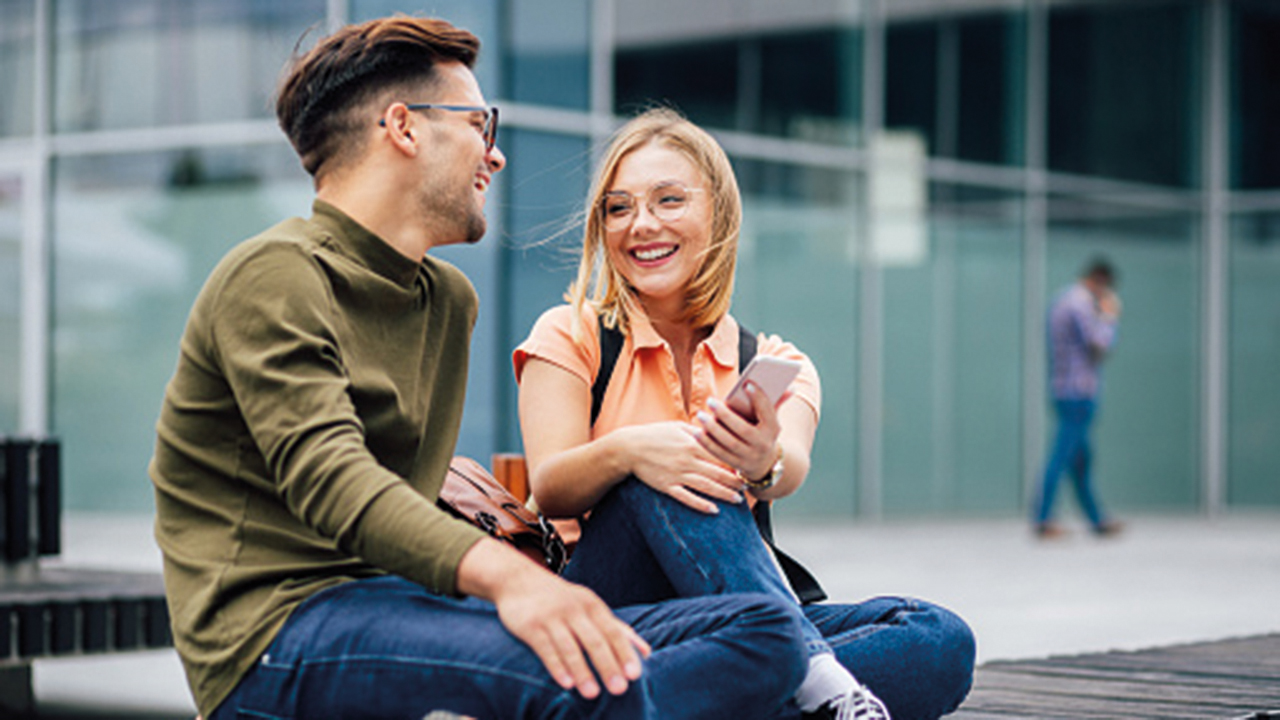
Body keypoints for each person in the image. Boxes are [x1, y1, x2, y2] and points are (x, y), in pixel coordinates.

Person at [150, 18, 812, 720]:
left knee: (768, 633)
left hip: (408, 607)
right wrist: (515, 583)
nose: (494, 156)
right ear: (404, 127)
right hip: (278, 633)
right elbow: (335, 484)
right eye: (479, 125)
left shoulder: (445, 301)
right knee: (600, 679)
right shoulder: (274, 274)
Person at [514, 108, 976, 720]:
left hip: (737, 623)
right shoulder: (570, 333)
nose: (641, 224)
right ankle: (813, 679)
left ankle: (732, 691)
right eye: (618, 208)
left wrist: (762, 462)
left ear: (720, 214)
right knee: (668, 468)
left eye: (668, 200)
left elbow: (790, 467)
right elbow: (549, 487)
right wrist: (632, 451)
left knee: (939, 638)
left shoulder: (775, 363)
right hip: (606, 616)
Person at [1033, 258, 1125, 539]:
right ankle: (1042, 518)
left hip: (1066, 390)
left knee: (1081, 461)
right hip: (1077, 392)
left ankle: (1097, 520)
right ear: (1100, 280)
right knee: (1062, 456)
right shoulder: (1079, 303)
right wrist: (1109, 316)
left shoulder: (1063, 300)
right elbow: (1100, 344)